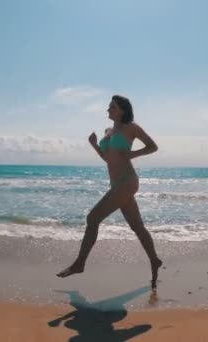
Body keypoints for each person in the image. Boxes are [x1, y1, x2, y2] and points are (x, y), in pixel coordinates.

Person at [57, 95, 163, 288]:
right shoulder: (108, 131)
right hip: (116, 184)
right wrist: (95, 145)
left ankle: (80, 263)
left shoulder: (131, 128)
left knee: (92, 218)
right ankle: (155, 260)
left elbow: (153, 146)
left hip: (128, 181)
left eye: (112, 107)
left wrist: (133, 153)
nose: (108, 110)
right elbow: (107, 159)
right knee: (137, 227)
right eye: (109, 107)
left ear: (122, 109)